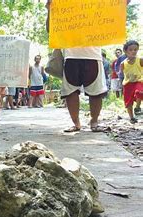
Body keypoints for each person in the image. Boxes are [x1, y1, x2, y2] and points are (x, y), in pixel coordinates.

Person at [46, 0, 108, 132]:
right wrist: (49, 9)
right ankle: (76, 123)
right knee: (71, 92)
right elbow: (50, 29)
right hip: (71, 56)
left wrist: (121, 7)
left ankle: (94, 121)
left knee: (96, 92)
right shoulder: (64, 4)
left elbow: (111, 19)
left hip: (93, 55)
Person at [120, 40, 142, 124]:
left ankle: (137, 107)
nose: (133, 51)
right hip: (128, 84)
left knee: (139, 92)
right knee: (128, 101)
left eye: (135, 49)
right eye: (131, 50)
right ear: (125, 51)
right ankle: (131, 117)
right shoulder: (123, 63)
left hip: (138, 81)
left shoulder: (140, 60)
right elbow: (121, 74)